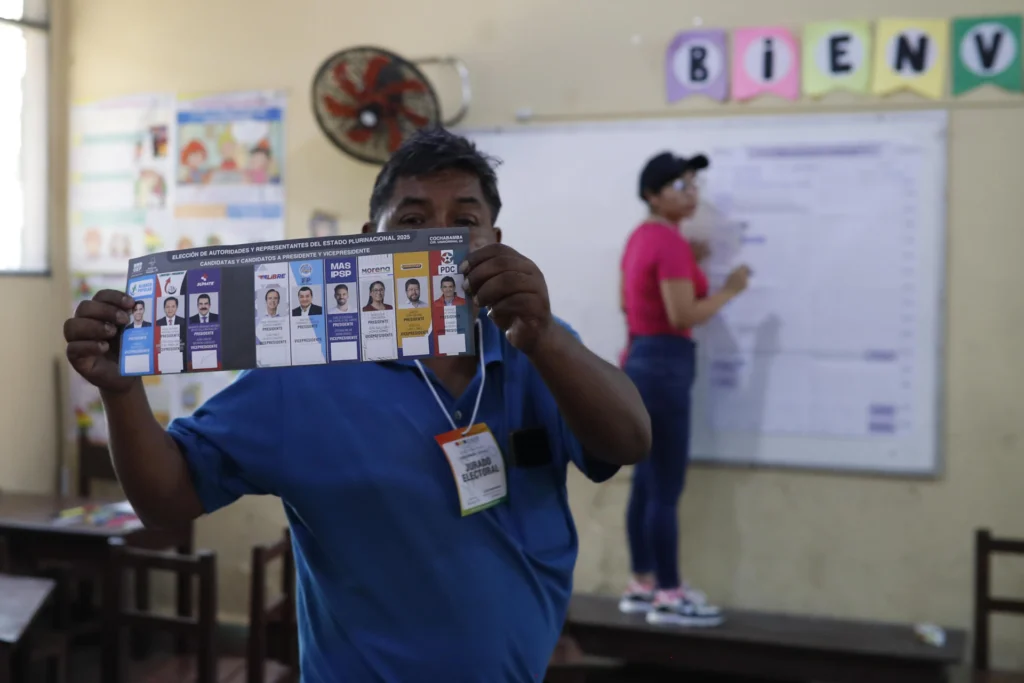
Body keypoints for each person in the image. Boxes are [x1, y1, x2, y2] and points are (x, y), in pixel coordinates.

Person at [62, 127, 652, 683]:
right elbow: (164, 500)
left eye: (464, 221)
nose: (440, 241)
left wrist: (546, 338)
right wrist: (122, 391)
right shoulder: (303, 369)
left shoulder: (537, 346)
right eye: (413, 221)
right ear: (371, 241)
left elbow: (630, 441)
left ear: (494, 242)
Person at [618, 151, 750, 628]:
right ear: (652, 195)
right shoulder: (669, 244)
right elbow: (682, 315)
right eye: (679, 186)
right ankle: (670, 594)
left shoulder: (642, 238)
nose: (691, 193)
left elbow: (628, 303)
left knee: (646, 481)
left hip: (639, 359)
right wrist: (730, 289)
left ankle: (643, 583)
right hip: (665, 364)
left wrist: (687, 262)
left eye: (694, 185)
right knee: (666, 486)